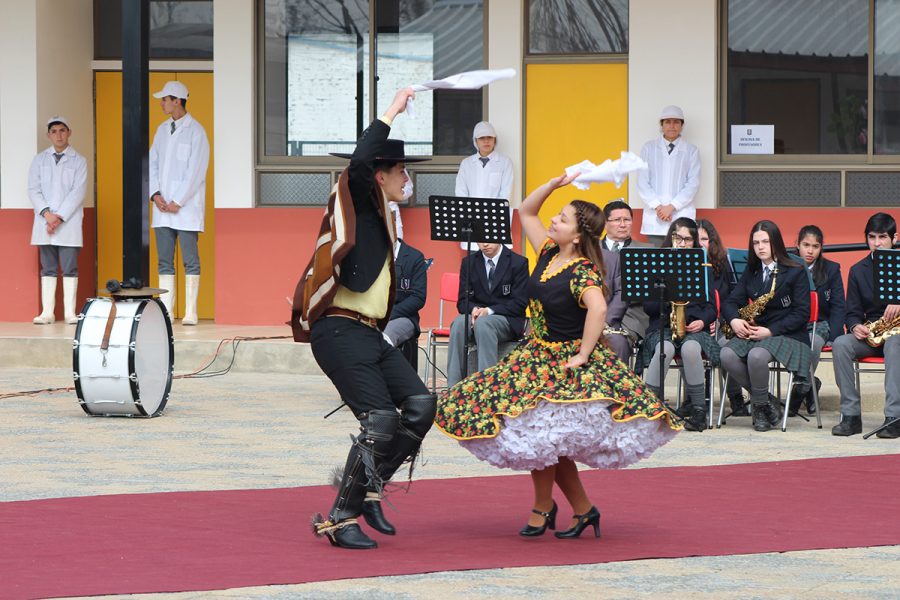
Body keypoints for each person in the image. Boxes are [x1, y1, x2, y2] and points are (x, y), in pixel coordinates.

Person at [435, 173, 680, 540]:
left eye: (562, 219)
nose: (554, 221)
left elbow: (597, 309)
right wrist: (553, 185)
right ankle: (579, 509)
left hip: (564, 364)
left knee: (543, 439)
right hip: (537, 356)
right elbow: (527, 211)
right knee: (544, 440)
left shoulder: (582, 271)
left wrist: (583, 353)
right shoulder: (549, 251)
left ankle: (547, 508)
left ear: (578, 235)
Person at [292, 87, 436, 549]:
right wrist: (393, 109)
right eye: (400, 169)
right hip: (338, 328)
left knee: (420, 406)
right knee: (379, 420)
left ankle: (367, 486)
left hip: (369, 333)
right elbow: (359, 164)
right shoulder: (359, 192)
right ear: (378, 175)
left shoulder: (385, 218)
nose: (407, 177)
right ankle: (340, 518)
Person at [720, 220, 811, 432]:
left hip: (789, 335)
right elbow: (730, 301)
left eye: (765, 242)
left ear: (776, 243)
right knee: (726, 354)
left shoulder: (795, 271)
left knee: (756, 356)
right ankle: (766, 401)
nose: (760, 247)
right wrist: (734, 320)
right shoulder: (751, 272)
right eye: (755, 242)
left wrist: (770, 331)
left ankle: (759, 409)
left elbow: (802, 314)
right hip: (758, 333)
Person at [641, 218, 718, 432]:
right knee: (664, 348)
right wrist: (665, 297)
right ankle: (650, 407)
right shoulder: (657, 267)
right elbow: (648, 308)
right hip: (662, 327)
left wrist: (702, 320)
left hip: (694, 327)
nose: (682, 244)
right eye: (678, 238)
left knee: (691, 348)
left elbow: (711, 307)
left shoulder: (704, 268)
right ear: (670, 239)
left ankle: (698, 411)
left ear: (694, 242)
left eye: (687, 239)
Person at [831, 213, 900, 438]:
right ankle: (850, 416)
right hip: (873, 333)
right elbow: (851, 312)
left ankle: (894, 417)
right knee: (841, 344)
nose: (877, 243)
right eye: (872, 237)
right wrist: (854, 327)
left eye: (882, 237)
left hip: (897, 336)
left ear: (895, 238)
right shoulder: (858, 270)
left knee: (894, 344)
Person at [148, 80, 210, 325]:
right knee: (164, 260)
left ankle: (190, 311)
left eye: (165, 99)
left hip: (185, 209)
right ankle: (166, 310)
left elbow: (197, 170)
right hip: (162, 208)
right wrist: (156, 194)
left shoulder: (197, 131)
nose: (162, 103)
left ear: (177, 100)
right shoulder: (161, 130)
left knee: (190, 259)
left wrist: (178, 200)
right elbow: (152, 163)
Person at [29, 116, 88, 325]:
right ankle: (48, 313)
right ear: (48, 135)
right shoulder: (39, 160)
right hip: (45, 221)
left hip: (67, 222)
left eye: (62, 130)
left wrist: (59, 217)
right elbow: (33, 190)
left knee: (70, 267)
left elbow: (77, 192)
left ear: (69, 132)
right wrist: (47, 214)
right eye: (54, 131)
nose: (58, 135)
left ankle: (70, 313)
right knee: (48, 268)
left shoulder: (79, 161)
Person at [446, 242, 528, 387]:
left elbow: (519, 303)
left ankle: (487, 388)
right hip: (477, 316)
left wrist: (488, 311)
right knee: (459, 323)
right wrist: (474, 309)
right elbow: (462, 302)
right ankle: (453, 388)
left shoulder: (518, 263)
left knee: (484, 323)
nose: (485, 244)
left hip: (506, 318)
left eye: (489, 239)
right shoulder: (469, 263)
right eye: (480, 240)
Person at [788, 225, 845, 416]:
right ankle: (811, 385)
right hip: (794, 322)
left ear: (821, 248)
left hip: (820, 323)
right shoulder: (787, 266)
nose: (810, 251)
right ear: (797, 244)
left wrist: (835, 336)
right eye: (806, 245)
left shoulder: (831, 269)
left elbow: (838, 306)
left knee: (813, 343)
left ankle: (799, 390)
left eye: (815, 246)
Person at [697, 218, 746, 416]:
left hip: (720, 324)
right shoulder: (684, 266)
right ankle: (695, 399)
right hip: (696, 326)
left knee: (727, 347)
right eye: (696, 239)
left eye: (704, 239)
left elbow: (730, 301)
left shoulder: (723, 265)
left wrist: (717, 321)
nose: (700, 243)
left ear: (712, 242)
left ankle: (735, 397)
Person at [636, 106, 701, 246]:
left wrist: (671, 207)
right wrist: (658, 207)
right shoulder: (649, 148)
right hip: (655, 216)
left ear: (682, 125)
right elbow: (642, 181)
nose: (672, 126)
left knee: (681, 258)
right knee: (657, 261)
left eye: (676, 122)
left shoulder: (691, 151)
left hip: (681, 213)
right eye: (668, 122)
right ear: (662, 125)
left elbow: (693, 183)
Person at [600, 200, 651, 362]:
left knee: (616, 342)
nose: (623, 225)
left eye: (627, 220)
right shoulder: (589, 248)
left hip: (630, 315)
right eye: (617, 220)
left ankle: (618, 386)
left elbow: (646, 291)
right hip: (592, 311)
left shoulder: (646, 250)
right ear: (605, 223)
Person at [455, 121, 514, 251]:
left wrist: (489, 216)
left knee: (496, 263)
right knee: (474, 261)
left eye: (489, 138)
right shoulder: (466, 164)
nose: (486, 141)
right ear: (475, 141)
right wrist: (471, 214)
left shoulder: (505, 162)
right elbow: (461, 194)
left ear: (495, 140)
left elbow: (505, 195)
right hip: (472, 219)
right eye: (482, 138)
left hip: (496, 219)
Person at [383, 235, 427, 349]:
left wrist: (389, 314)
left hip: (403, 316)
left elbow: (418, 298)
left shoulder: (415, 257)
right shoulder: (372, 254)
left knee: (385, 336)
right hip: (373, 315)